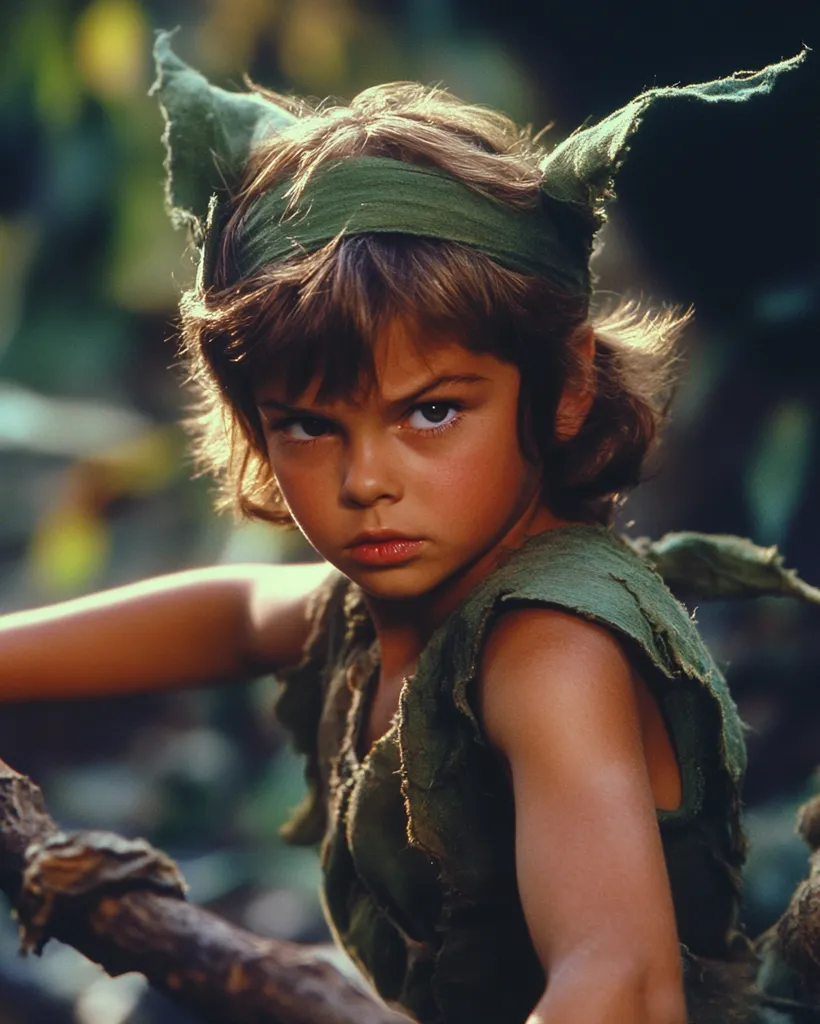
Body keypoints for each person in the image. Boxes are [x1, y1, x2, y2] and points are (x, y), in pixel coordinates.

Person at [0, 36, 810, 1024]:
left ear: (564, 386)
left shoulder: (548, 649)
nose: (366, 480)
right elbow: (239, 612)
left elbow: (619, 986)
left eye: (430, 413)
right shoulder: (400, 594)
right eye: (308, 423)